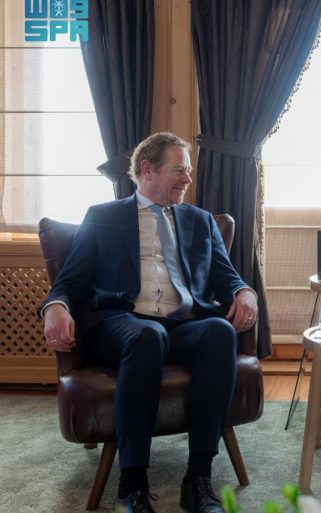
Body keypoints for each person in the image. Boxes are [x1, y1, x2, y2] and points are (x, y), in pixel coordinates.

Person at [41, 132, 258, 513]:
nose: (188, 179)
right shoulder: (103, 217)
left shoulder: (200, 221)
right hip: (122, 324)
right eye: (179, 170)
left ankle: (198, 478)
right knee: (147, 335)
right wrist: (55, 306)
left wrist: (245, 292)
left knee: (219, 331)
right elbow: (71, 281)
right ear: (147, 170)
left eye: (188, 171)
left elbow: (226, 276)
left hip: (182, 324)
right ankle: (132, 486)